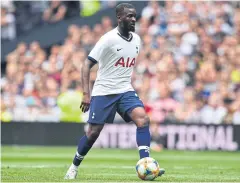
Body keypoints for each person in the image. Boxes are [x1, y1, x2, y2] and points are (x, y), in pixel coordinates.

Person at [64, 3, 165, 179]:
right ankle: (73, 166)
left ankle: (146, 164)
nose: (134, 19)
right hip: (104, 91)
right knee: (93, 133)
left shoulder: (137, 40)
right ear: (119, 18)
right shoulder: (108, 39)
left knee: (143, 119)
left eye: (135, 16)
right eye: (129, 16)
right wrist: (86, 94)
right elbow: (87, 64)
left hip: (125, 89)